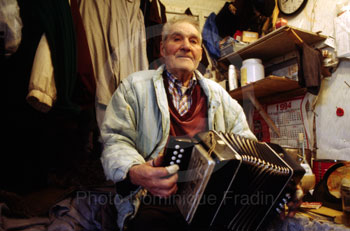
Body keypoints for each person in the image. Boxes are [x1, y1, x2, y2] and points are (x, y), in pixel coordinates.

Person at [100, 16, 299, 231]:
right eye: (177, 39)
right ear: (162, 49)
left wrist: (281, 188)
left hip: (211, 205)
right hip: (154, 200)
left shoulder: (221, 98)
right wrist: (134, 170)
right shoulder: (134, 88)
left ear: (200, 53)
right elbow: (115, 140)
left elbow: (248, 147)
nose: (186, 46)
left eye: (194, 41)